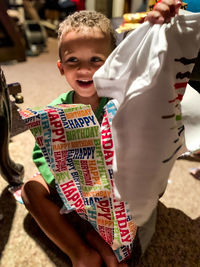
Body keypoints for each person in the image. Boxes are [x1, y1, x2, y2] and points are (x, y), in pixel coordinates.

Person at [21, 2, 182, 267]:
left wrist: (159, 26)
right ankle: (80, 253)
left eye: (96, 60)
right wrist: (61, 180)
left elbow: (154, 71)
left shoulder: (123, 99)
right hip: (72, 186)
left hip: (117, 191)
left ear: (115, 65)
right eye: (74, 61)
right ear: (61, 68)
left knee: (124, 248)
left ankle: (100, 244)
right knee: (30, 191)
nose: (84, 70)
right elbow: (42, 152)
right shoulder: (55, 110)